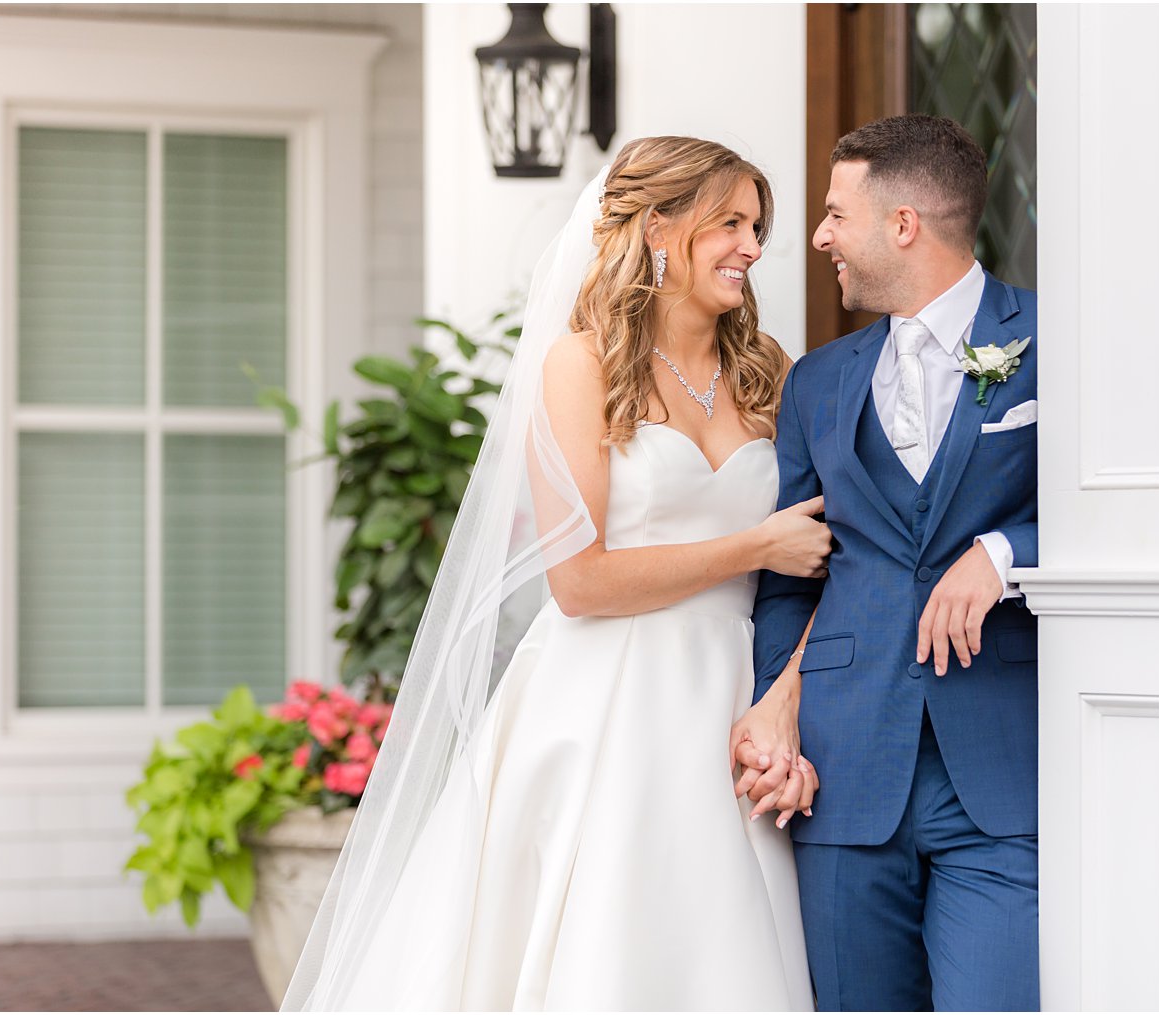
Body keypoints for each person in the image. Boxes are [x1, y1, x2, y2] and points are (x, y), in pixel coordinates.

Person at [281, 136, 825, 1011]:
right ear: (659, 226)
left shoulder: (771, 373)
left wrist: (786, 697)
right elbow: (580, 581)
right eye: (730, 222)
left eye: (757, 226)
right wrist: (751, 549)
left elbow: (820, 566)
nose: (754, 247)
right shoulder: (582, 365)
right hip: (607, 697)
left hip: (737, 698)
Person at [732, 114, 1041, 1010]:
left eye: (835, 213)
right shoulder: (817, 381)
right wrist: (778, 717)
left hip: (1000, 775)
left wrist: (1007, 550)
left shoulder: (1058, 342)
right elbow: (791, 581)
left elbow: (1142, 510)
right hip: (841, 773)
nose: (819, 235)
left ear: (903, 223)